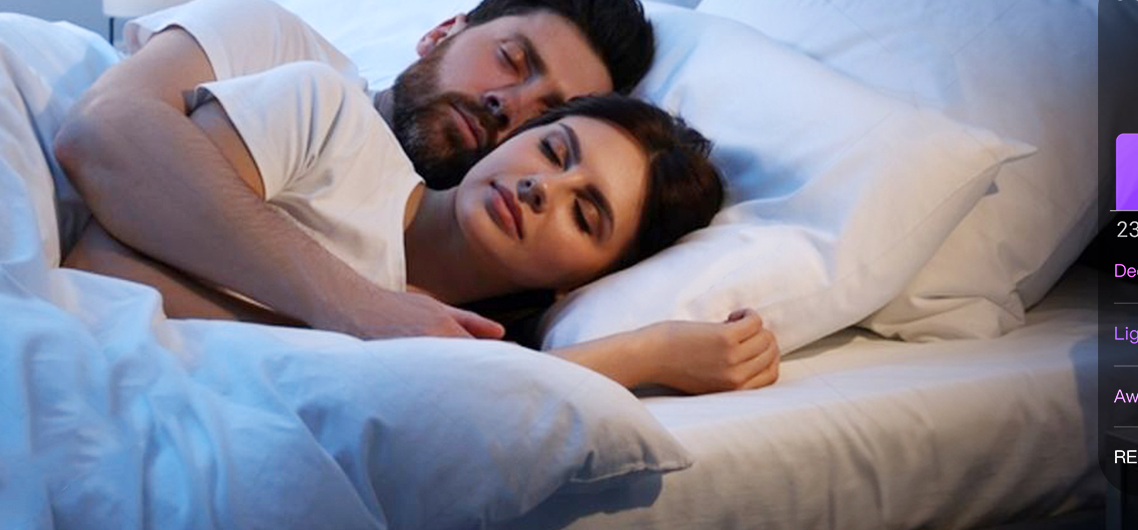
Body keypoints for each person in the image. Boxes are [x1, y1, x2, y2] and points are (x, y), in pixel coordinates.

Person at [62, 61, 779, 394]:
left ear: (583, 283)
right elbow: (98, 267)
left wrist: (649, 351)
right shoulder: (326, 118)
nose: (542, 187)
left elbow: (485, 399)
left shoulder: (474, 363)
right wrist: (358, 315)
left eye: (583, 213)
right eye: (553, 151)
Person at [55, 0, 684, 340]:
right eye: (511, 60)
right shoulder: (285, 53)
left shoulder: (436, 269)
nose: (507, 104)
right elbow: (105, 131)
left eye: (545, 114)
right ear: (443, 31)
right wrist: (358, 312)